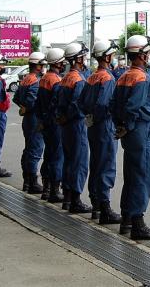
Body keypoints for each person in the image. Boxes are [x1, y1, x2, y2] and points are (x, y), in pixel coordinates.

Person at [111, 35, 150, 240]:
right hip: (141, 129)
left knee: (131, 174)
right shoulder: (142, 77)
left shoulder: (123, 76)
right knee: (142, 175)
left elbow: (114, 104)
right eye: (148, 53)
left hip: (129, 131)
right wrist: (129, 124)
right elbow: (135, 105)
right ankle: (138, 224)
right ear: (141, 55)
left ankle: (126, 219)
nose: (149, 56)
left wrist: (121, 125)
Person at [79, 40, 122, 225]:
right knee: (106, 165)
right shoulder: (108, 78)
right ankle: (105, 208)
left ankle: (96, 205)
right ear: (107, 56)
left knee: (95, 163)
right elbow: (105, 104)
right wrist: (100, 116)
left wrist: (90, 117)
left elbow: (80, 102)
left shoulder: (90, 77)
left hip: (92, 126)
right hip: (105, 125)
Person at [56, 42, 92, 213]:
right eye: (83, 56)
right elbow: (77, 105)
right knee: (79, 162)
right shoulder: (79, 80)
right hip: (76, 124)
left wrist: (62, 117)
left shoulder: (65, 78)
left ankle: (68, 198)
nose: (85, 59)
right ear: (78, 59)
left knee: (69, 160)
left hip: (66, 125)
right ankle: (75, 200)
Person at [13, 52, 47, 194]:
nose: (44, 67)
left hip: (27, 118)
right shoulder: (36, 81)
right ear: (37, 66)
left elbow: (15, 98)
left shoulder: (26, 79)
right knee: (35, 150)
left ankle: (27, 181)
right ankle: (32, 182)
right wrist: (28, 107)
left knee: (28, 149)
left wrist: (23, 107)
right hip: (34, 118)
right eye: (42, 64)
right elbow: (32, 101)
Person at [35, 48, 66, 203]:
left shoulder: (44, 79)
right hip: (55, 123)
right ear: (59, 63)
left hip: (46, 122)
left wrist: (42, 120)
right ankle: (54, 190)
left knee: (49, 154)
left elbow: (38, 103)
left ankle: (46, 188)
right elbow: (57, 104)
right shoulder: (56, 81)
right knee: (57, 156)